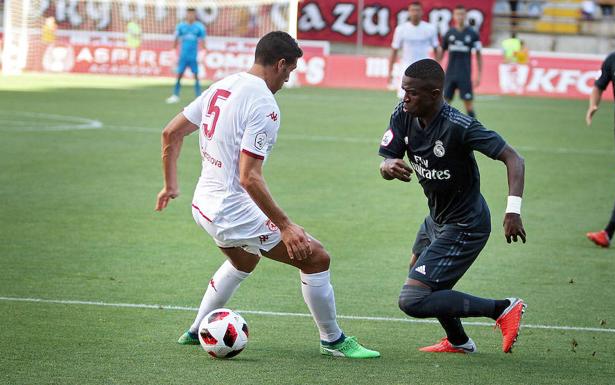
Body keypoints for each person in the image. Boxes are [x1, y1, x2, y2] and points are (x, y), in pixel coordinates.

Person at [155, 31, 379, 359]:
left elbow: (171, 132)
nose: (287, 80)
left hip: (202, 203)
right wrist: (286, 226)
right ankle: (333, 340)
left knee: (243, 259)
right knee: (316, 258)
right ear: (280, 64)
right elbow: (249, 177)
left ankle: (197, 328)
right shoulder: (263, 103)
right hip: (230, 209)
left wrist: (170, 185)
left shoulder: (223, 85)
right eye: (288, 72)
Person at [378, 59, 527, 354]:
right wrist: (387, 164)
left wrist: (513, 210)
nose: (405, 97)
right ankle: (459, 341)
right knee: (421, 276)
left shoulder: (460, 126)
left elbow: (514, 158)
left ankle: (502, 308)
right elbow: (386, 159)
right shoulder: (403, 113)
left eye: (412, 93)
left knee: (413, 299)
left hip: (466, 225)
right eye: (403, 90)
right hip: (436, 219)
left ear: (435, 94)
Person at [585, 49, 615, 248]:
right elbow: (599, 86)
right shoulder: (614, 60)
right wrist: (593, 105)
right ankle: (607, 234)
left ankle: (607, 233)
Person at [387, 2, 441, 98]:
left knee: (424, 98)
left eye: (417, 10)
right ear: (409, 12)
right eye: (412, 10)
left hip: (425, 69)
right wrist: (390, 72)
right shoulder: (401, 29)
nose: (415, 13)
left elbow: (437, 49)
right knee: (404, 98)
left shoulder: (430, 28)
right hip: (406, 68)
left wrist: (436, 68)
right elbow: (394, 51)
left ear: (422, 12)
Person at [440, 5, 482, 118]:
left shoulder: (473, 34)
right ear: (453, 16)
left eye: (462, 14)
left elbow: (478, 54)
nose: (460, 17)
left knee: (468, 106)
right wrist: (436, 70)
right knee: (443, 105)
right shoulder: (449, 33)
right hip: (450, 74)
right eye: (458, 14)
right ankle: (439, 132)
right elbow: (441, 53)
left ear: (466, 16)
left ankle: (474, 133)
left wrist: (478, 74)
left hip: (465, 75)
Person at [166, 8, 207, 104]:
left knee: (196, 76)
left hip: (193, 56)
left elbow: (203, 43)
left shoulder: (199, 27)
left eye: (192, 14)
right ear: (186, 14)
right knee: (179, 75)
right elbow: (176, 40)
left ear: (195, 14)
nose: (190, 16)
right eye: (189, 14)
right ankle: (175, 95)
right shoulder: (181, 26)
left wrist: (203, 53)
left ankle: (198, 96)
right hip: (183, 56)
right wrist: (173, 52)